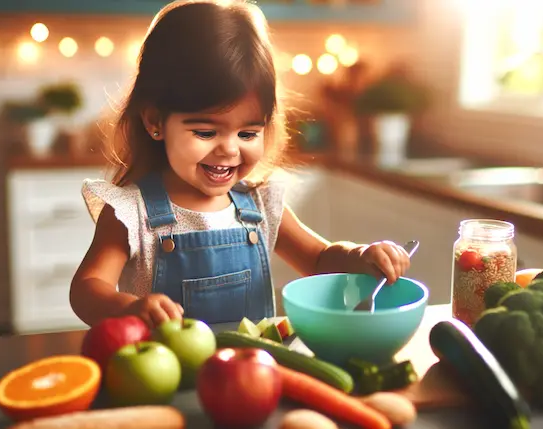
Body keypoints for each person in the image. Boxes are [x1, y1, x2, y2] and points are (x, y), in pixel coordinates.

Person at [70, 0, 413, 329]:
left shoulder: (260, 203)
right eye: (205, 131)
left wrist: (361, 256)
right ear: (155, 121)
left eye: (248, 133)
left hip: (254, 376)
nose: (229, 150)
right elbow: (87, 288)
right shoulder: (132, 212)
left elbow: (319, 258)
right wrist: (128, 308)